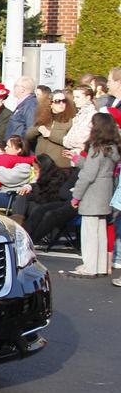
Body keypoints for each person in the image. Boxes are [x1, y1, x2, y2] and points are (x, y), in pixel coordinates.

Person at [66, 113, 121, 278]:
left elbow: (88, 174)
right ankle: (100, 266)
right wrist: (77, 159)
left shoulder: (95, 147)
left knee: (89, 231)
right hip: (105, 190)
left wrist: (76, 196)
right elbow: (97, 167)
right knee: (100, 230)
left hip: (92, 192)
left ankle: (89, 266)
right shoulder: (112, 147)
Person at [25, 90, 75, 168]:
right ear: (51, 104)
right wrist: (38, 128)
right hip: (41, 164)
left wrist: (50, 134)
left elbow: (71, 141)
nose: (61, 104)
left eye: (64, 101)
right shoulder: (43, 118)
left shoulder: (70, 121)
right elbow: (28, 135)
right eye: (58, 101)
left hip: (59, 166)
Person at [63, 84, 96, 160]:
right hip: (73, 154)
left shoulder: (92, 115)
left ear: (88, 98)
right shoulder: (79, 114)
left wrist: (68, 141)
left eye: (78, 97)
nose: (74, 100)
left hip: (82, 156)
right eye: (74, 97)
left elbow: (81, 138)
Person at [5, 76, 37, 140]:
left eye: (15, 86)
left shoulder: (30, 104)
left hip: (21, 146)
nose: (13, 89)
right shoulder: (24, 103)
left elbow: (31, 128)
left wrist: (18, 142)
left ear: (22, 89)